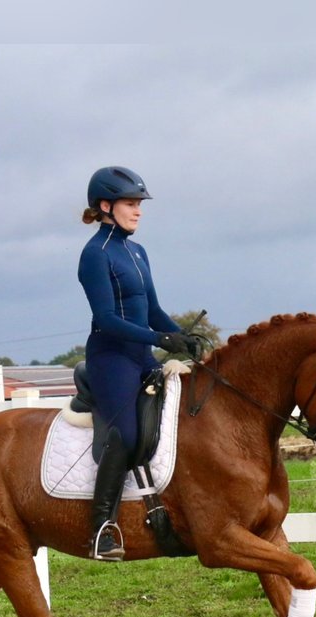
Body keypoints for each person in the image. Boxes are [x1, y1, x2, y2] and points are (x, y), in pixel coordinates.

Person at [78, 165, 199, 561]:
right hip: (111, 360)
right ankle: (102, 529)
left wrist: (183, 337)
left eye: (139, 204)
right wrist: (160, 339)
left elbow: (153, 311)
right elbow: (109, 320)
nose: (139, 211)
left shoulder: (137, 251)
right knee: (128, 436)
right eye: (131, 203)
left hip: (142, 356)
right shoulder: (94, 255)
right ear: (106, 205)